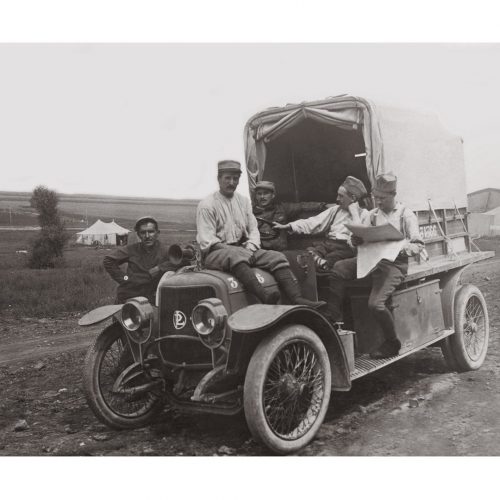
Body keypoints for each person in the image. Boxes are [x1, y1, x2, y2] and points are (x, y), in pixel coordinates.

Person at [196, 160, 325, 308]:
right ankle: (264, 295)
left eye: (235, 178)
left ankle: (297, 299)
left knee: (276, 256)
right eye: (227, 178)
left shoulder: (243, 202)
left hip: (242, 248)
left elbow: (253, 229)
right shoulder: (207, 205)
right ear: (219, 179)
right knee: (236, 255)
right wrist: (236, 250)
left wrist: (250, 246)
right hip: (215, 253)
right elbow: (208, 240)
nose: (232, 182)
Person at [327, 173, 425, 359]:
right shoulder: (372, 215)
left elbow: (418, 245)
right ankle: (334, 320)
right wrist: (354, 240)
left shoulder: (406, 215)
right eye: (376, 198)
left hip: (393, 264)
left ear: (393, 195)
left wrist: (402, 247)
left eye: (382, 198)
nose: (378, 202)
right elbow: (355, 239)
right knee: (339, 268)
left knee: (376, 304)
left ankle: (392, 342)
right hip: (372, 259)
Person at [273, 176, 369, 270]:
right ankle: (321, 264)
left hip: (346, 248)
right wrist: (290, 226)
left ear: (353, 198)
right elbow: (314, 222)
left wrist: (354, 213)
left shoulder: (364, 214)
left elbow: (359, 238)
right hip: (329, 243)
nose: (337, 199)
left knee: (333, 258)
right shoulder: (335, 210)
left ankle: (322, 264)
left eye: (341, 196)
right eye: (338, 195)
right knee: (310, 252)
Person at [103, 216, 177, 304]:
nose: (147, 236)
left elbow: (183, 261)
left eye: (151, 232)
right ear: (138, 234)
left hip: (153, 298)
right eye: (143, 232)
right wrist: (125, 279)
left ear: (157, 233)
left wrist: (160, 268)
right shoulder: (132, 249)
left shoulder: (165, 250)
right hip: (130, 296)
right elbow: (108, 260)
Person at [253, 180, 327, 251]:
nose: (262, 197)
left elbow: (302, 206)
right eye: (259, 194)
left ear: (273, 195)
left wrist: (324, 206)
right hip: (260, 250)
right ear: (256, 196)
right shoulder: (250, 212)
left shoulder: (281, 208)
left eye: (266, 193)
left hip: (280, 250)